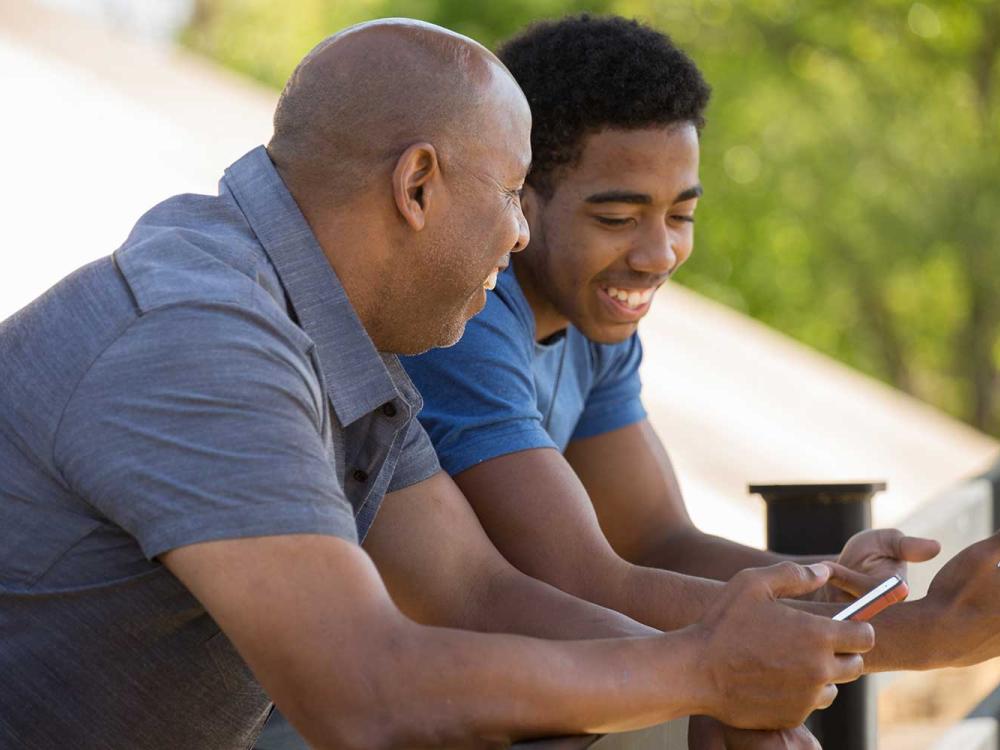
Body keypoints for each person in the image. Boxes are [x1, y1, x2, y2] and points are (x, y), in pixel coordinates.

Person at [0, 18, 877, 750]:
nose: (521, 238)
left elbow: (474, 592)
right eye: (508, 194)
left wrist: (712, 684)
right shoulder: (202, 338)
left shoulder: (334, 329)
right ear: (417, 185)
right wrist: (700, 672)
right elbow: (363, 688)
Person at [399, 13, 1000, 745]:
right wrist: (923, 633)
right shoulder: (465, 314)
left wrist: (835, 585)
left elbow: (658, 540)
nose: (658, 254)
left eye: (680, 214)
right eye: (618, 216)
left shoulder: (591, 314)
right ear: (521, 198)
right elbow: (580, 581)